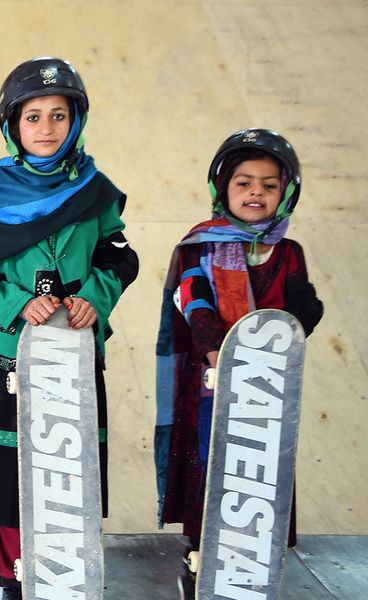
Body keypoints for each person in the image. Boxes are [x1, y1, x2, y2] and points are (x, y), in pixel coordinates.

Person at [0, 57, 138, 599]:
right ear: (13, 124)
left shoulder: (95, 189)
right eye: (33, 117)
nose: (46, 128)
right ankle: (14, 576)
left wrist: (93, 298)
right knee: (12, 474)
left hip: (74, 352)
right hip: (9, 356)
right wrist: (16, 303)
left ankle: (64, 571)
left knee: (67, 467)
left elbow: (120, 256)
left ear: (76, 121)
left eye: (59, 115)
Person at [154, 128, 323, 599]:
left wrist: (290, 331)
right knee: (211, 471)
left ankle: (254, 566)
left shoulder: (288, 252)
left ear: (286, 194)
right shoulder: (199, 246)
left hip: (268, 387)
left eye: (269, 185)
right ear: (222, 189)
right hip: (211, 383)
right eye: (244, 183)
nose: (256, 193)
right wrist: (223, 356)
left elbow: (301, 306)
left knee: (262, 469)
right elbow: (194, 301)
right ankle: (200, 561)